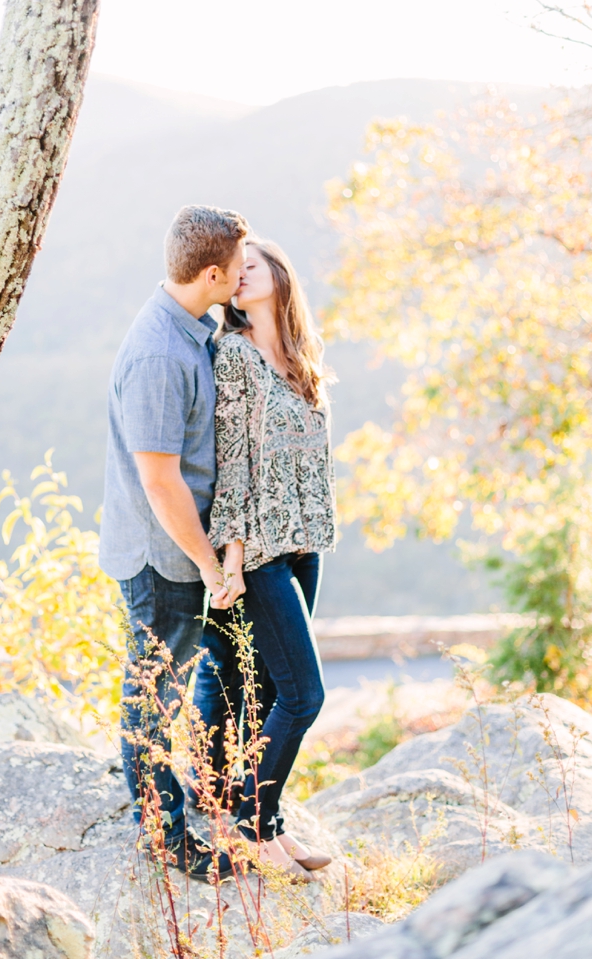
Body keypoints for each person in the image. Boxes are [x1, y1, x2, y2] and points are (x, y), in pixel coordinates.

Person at [98, 204, 248, 881]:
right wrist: (211, 565)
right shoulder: (161, 352)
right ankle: (163, 836)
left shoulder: (187, 323)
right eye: (239, 268)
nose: (244, 276)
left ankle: (162, 803)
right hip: (163, 557)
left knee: (167, 686)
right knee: (155, 692)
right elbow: (161, 482)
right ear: (211, 272)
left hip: (171, 550)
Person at [193, 238, 337, 883]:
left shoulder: (301, 360)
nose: (241, 274)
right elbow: (234, 469)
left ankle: (268, 828)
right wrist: (230, 561)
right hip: (260, 551)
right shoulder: (234, 357)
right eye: (235, 269)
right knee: (305, 695)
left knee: (274, 690)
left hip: (304, 545)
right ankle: (248, 824)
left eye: (253, 264)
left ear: (281, 273)